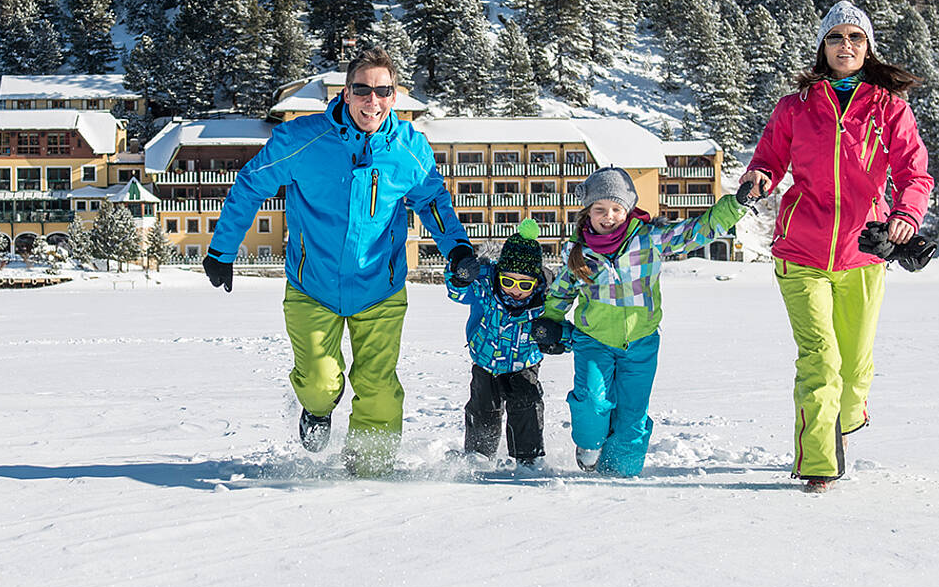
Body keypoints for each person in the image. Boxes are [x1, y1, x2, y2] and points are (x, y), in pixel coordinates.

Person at [202, 48, 474, 476]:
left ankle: (369, 474)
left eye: (383, 90)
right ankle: (317, 410)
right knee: (319, 382)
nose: (373, 100)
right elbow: (252, 184)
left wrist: (457, 247)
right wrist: (223, 249)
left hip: (380, 287)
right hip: (313, 285)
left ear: (394, 95)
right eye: (363, 89)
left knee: (379, 388)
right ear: (346, 94)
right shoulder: (301, 139)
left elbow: (433, 200)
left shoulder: (409, 147)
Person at [736, 0, 933, 492]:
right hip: (801, 251)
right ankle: (820, 464)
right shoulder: (795, 108)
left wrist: (905, 216)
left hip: (864, 251)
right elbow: (769, 160)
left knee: (855, 366)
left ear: (868, 49)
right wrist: (758, 178)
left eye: (856, 37)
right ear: (822, 47)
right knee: (820, 360)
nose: (846, 45)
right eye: (836, 37)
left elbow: (914, 172)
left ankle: (846, 418)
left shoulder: (890, 108)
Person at [529, 166, 749, 477]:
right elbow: (562, 291)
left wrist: (736, 204)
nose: (608, 216)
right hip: (594, 341)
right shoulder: (580, 251)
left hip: (642, 342)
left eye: (616, 209)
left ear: (628, 209)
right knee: (593, 402)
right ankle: (589, 445)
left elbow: (697, 231)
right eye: (600, 209)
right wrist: (550, 320)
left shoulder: (651, 240)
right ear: (588, 213)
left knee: (632, 415)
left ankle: (619, 475)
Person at [446, 219, 551, 471]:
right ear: (500, 273)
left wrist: (556, 337)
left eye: (524, 285)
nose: (515, 290)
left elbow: (561, 324)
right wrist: (460, 278)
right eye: (509, 281)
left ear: (535, 283)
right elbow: (457, 294)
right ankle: (479, 453)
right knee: (483, 407)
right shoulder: (484, 285)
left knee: (526, 402)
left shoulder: (546, 297)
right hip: (485, 359)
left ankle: (528, 457)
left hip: (523, 360)